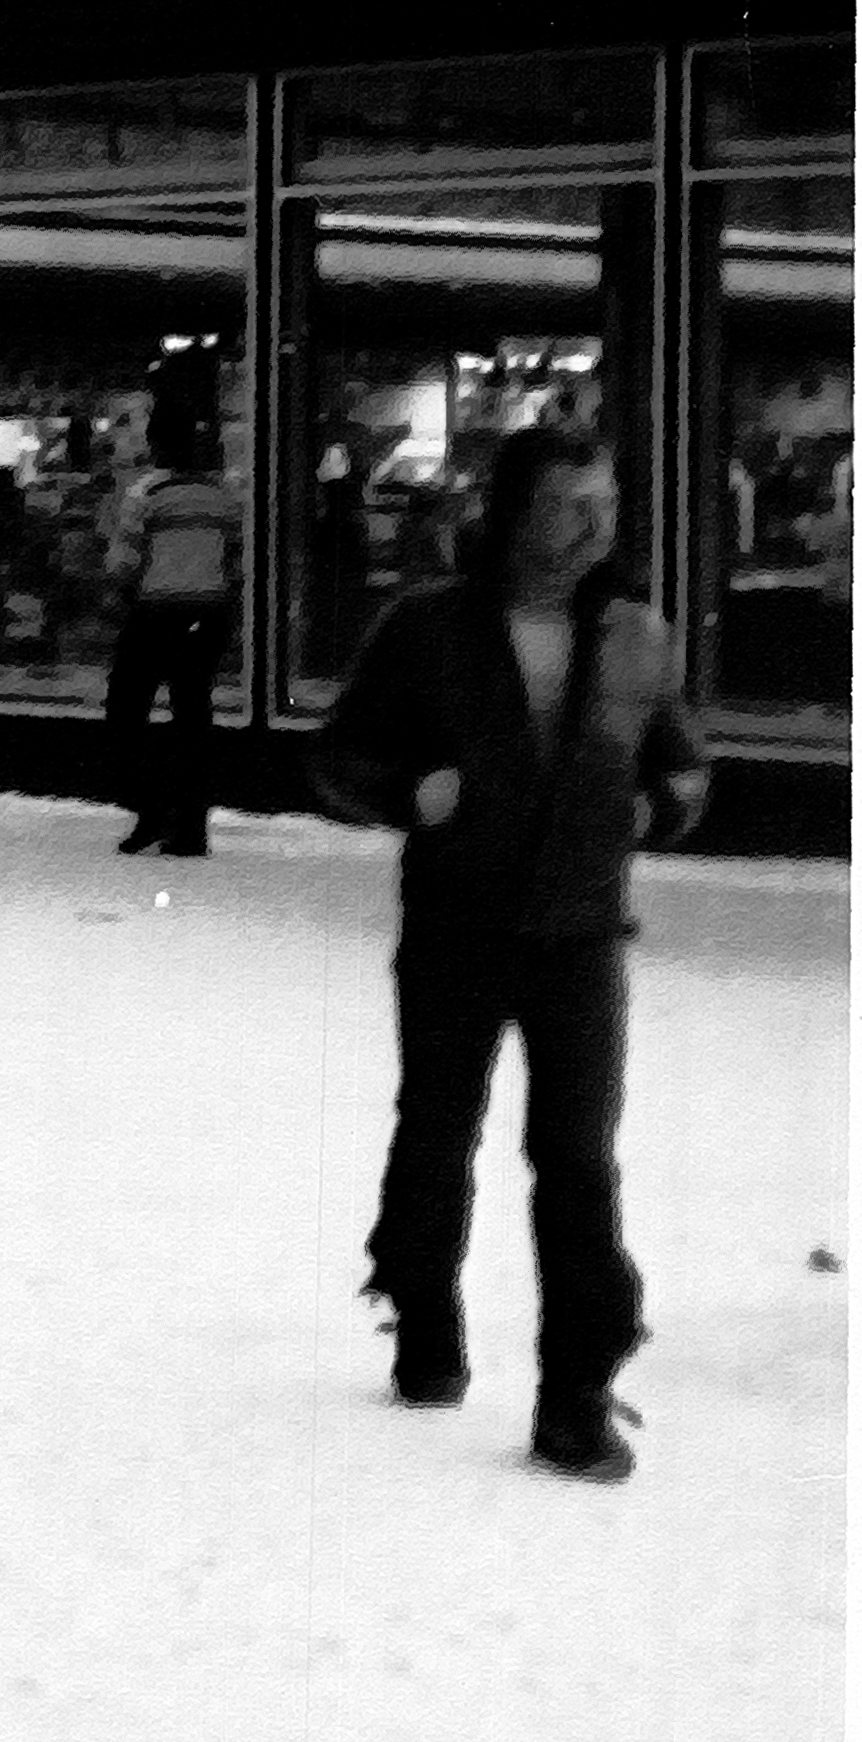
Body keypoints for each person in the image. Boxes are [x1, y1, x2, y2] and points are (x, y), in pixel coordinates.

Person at [313, 424, 708, 1482]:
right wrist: (407, 793)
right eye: (572, 503)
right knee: (438, 1127)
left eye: (608, 503)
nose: (596, 524)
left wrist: (657, 803)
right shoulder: (429, 628)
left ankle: (574, 1392)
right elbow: (339, 754)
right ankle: (423, 1309)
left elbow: (682, 767)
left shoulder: (634, 635)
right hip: (456, 922)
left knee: (576, 1158)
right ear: (516, 511)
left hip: (579, 931)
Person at [101, 418, 246, 857]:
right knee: (193, 719)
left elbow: (122, 562)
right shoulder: (226, 500)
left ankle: (150, 808)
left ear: (160, 453)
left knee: (126, 711)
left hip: (156, 613)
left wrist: (125, 592)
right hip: (208, 617)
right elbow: (238, 561)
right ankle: (191, 827)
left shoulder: (146, 496)